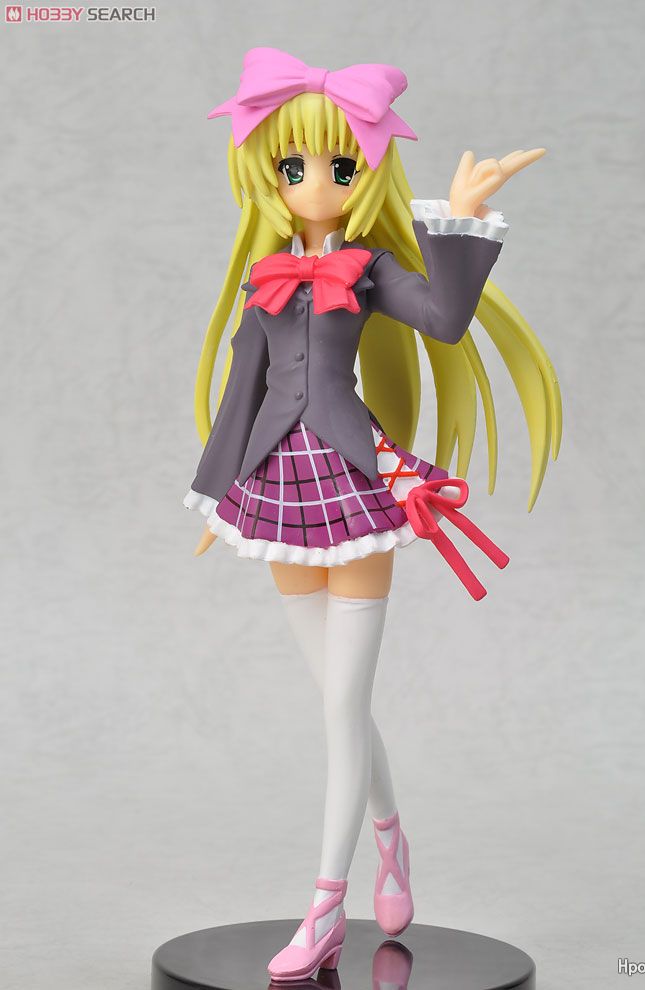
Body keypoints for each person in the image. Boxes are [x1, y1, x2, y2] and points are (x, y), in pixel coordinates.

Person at [183, 47, 560, 982]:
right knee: (337, 703)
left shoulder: (374, 266)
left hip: (355, 482)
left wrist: (459, 220)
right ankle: (391, 836)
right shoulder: (266, 272)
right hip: (273, 488)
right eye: (294, 164)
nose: (315, 182)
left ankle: (324, 909)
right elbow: (241, 392)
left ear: (368, 173)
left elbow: (445, 321)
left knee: (343, 709)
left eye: (340, 165)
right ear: (267, 172)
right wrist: (213, 495)